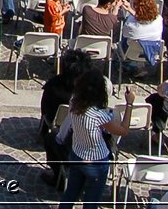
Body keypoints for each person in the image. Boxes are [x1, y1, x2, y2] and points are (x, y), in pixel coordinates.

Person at [57, 70, 134, 209]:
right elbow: (124, 130)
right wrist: (129, 104)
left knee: (70, 194)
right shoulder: (99, 115)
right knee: (91, 201)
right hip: (96, 161)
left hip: (76, 154)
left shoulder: (74, 104)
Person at [120, 0, 163, 78]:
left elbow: (125, 34)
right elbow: (143, 19)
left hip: (132, 52)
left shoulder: (130, 24)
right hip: (153, 50)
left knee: (125, 39)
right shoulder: (159, 19)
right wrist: (130, 9)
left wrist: (130, 10)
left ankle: (129, 66)